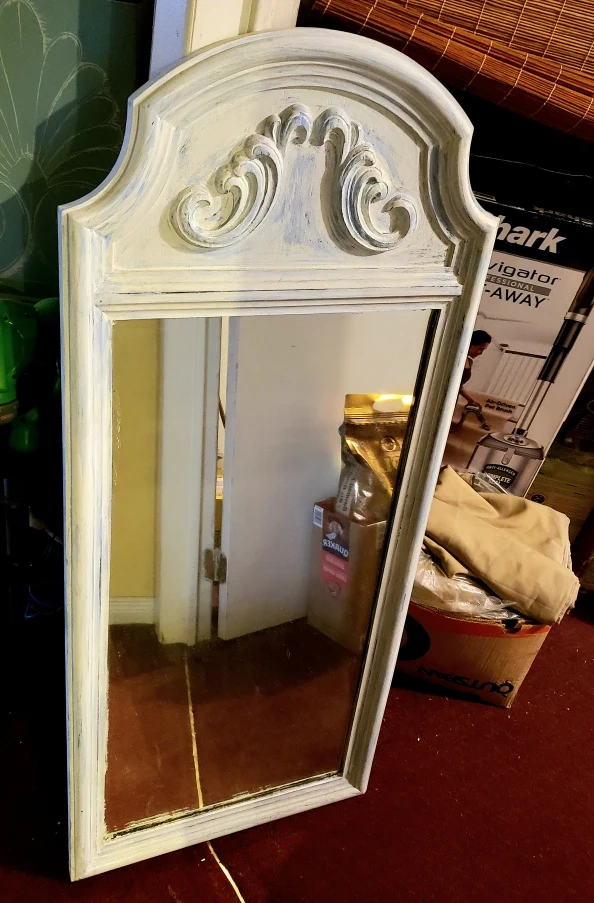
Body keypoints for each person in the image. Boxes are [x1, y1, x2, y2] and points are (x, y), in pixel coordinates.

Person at [459, 329, 491, 408]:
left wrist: (470, 400)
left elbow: (458, 385)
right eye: (480, 349)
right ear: (471, 344)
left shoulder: (469, 362)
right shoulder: (456, 359)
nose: (481, 353)